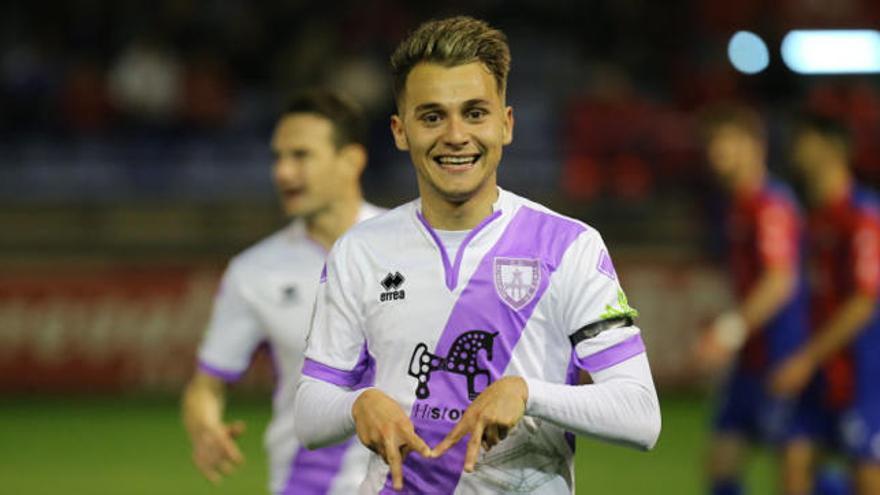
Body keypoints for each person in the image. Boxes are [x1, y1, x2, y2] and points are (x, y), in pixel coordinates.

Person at [292, 16, 661, 494]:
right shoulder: (360, 251)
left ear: (505, 124)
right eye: (431, 117)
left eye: (474, 113)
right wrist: (356, 403)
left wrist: (527, 393)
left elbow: (641, 416)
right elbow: (309, 413)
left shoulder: (569, 246)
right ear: (400, 131)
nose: (455, 135)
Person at [181, 89, 383, 494]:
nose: (283, 173)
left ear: (351, 161)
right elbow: (206, 386)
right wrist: (204, 427)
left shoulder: (411, 245)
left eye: (301, 156)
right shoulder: (253, 271)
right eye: (278, 157)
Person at [693, 104, 812, 495]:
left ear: (754, 147)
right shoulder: (736, 205)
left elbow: (781, 280)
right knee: (721, 462)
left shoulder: (770, 205)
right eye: (713, 143)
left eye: (726, 142)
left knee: (794, 472)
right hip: (753, 357)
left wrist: (729, 331)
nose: (717, 152)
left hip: (783, 351)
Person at [769, 114, 880, 495]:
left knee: (867, 475)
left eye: (805, 142)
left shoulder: (862, 217)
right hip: (821, 368)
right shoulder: (812, 219)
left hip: (864, 371)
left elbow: (864, 301)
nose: (796, 151)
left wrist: (805, 358)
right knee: (793, 460)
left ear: (833, 149)